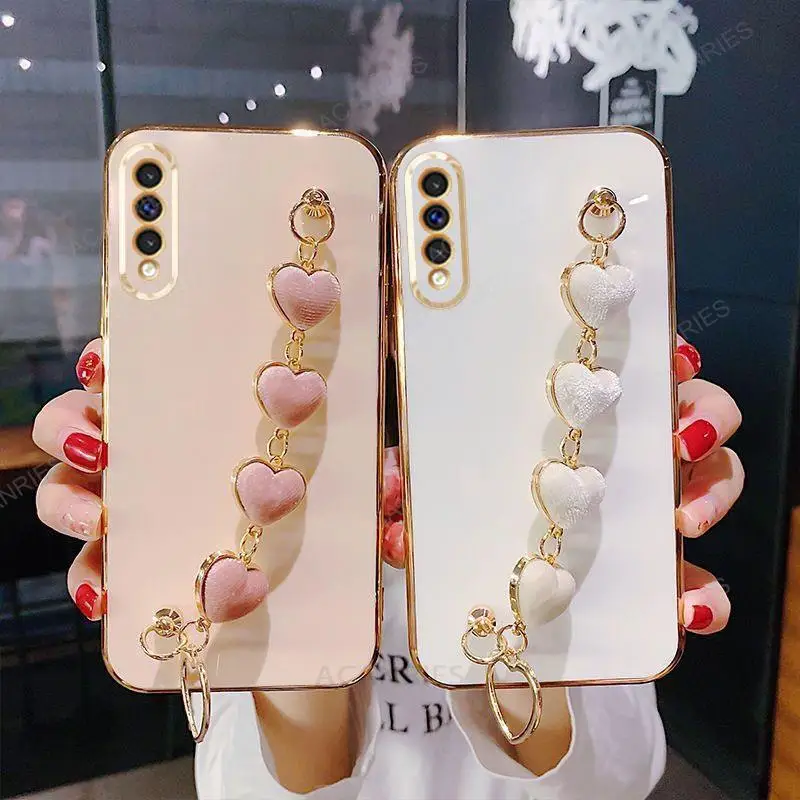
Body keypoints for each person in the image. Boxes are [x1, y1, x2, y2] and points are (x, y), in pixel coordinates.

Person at [32, 334, 742, 800]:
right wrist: (295, 568)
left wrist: (600, 480)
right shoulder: (243, 442)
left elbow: (613, 779)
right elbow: (256, 785)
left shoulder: (542, 441)